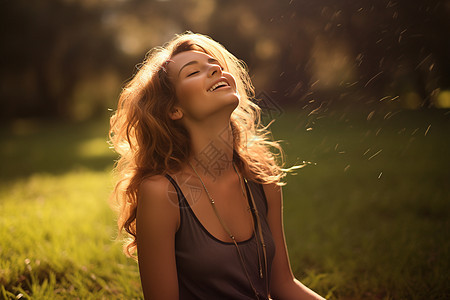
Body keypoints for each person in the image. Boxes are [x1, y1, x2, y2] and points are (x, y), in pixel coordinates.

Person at [109, 32, 325, 300]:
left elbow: (283, 285)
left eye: (216, 66)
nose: (214, 70)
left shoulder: (260, 176)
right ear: (174, 109)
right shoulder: (161, 193)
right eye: (193, 72)